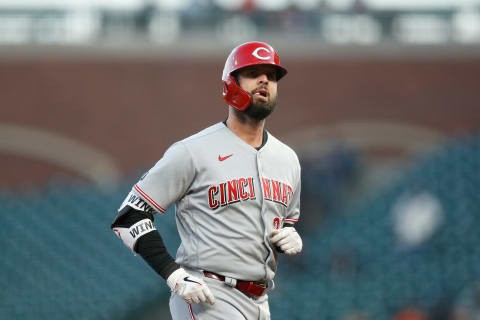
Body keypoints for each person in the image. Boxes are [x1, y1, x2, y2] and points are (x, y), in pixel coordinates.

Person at [111, 41, 303, 320]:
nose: (265, 79)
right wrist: (174, 275)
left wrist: (290, 232)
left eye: (272, 76)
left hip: (260, 301)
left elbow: (287, 221)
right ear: (231, 84)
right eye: (253, 72)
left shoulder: (287, 159)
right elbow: (129, 218)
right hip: (209, 294)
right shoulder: (192, 151)